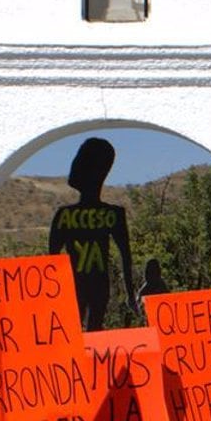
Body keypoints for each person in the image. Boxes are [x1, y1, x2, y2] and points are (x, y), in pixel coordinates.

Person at [48, 136, 135, 330]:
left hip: (90, 287)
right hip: (82, 287)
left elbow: (126, 257)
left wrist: (131, 296)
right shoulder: (111, 215)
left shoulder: (67, 215)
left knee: (91, 332)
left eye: (80, 159)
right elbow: (51, 264)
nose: (74, 165)